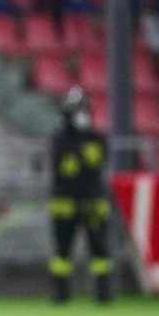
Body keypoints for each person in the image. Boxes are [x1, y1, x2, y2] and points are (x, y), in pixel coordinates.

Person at [48, 86, 114, 304]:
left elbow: (96, 161)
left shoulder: (97, 138)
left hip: (93, 202)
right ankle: (60, 294)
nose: (81, 116)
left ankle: (104, 293)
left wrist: (77, 157)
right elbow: (66, 168)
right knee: (62, 252)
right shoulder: (59, 139)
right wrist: (81, 157)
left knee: (100, 250)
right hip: (65, 204)